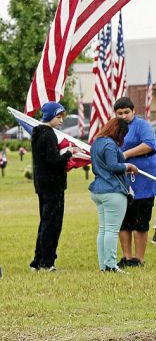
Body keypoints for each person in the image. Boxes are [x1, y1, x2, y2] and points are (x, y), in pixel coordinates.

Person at [90, 118, 139, 273]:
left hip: (98, 190)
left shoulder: (96, 142)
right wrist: (128, 166)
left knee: (104, 229)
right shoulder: (110, 144)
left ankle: (103, 265)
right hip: (112, 190)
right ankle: (111, 265)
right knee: (112, 230)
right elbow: (112, 166)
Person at [113, 97, 156, 268]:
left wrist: (126, 155)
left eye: (126, 112)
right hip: (122, 180)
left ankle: (139, 259)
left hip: (143, 179)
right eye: (119, 113)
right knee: (124, 220)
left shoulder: (142, 125)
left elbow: (149, 144)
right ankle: (127, 257)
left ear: (133, 111)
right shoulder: (115, 127)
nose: (123, 116)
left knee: (140, 220)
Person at [30, 102, 74, 271]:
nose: (61, 120)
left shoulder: (37, 132)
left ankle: (38, 260)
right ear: (49, 117)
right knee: (53, 224)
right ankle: (47, 261)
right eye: (58, 116)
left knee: (45, 222)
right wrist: (69, 153)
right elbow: (53, 161)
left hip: (42, 185)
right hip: (53, 186)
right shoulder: (49, 134)